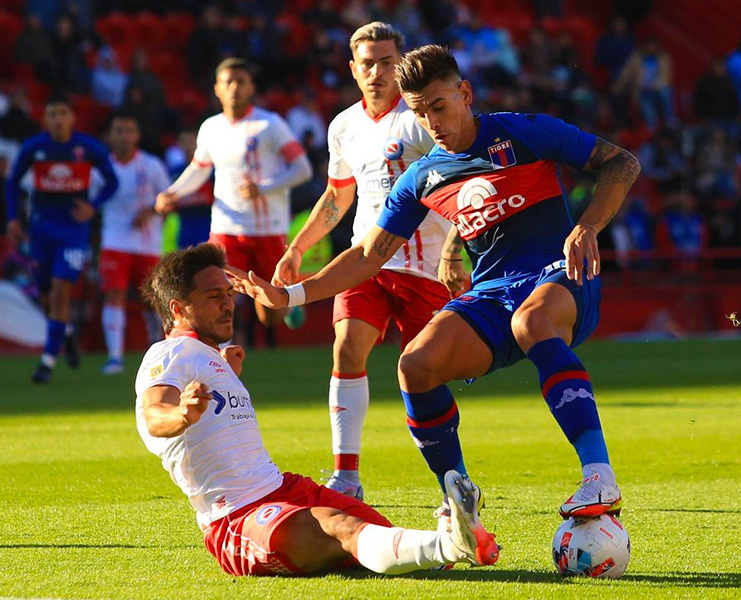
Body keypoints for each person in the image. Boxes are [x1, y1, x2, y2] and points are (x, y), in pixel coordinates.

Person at [227, 45, 641, 525]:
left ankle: (598, 474)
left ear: (465, 93)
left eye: (439, 107)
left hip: (560, 274)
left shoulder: (524, 131)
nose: (432, 123)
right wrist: (292, 294)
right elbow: (367, 254)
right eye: (420, 113)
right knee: (415, 366)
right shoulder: (422, 177)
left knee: (533, 321)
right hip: (493, 291)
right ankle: (459, 497)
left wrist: (587, 225)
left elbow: (621, 163)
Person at [135, 243, 499, 577]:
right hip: (237, 517)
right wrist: (182, 413)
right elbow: (155, 414)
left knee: (378, 537)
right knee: (343, 531)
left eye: (228, 294)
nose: (228, 304)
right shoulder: (168, 354)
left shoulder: (208, 358)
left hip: (286, 488)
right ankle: (451, 543)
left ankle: (444, 547)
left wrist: (223, 368)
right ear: (178, 309)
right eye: (214, 296)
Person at [272, 23, 451, 500]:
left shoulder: (419, 119)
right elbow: (337, 194)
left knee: (424, 375)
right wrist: (297, 248)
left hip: (423, 266)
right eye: (367, 63)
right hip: (364, 264)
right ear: (353, 69)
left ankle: (450, 483)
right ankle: (346, 478)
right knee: (347, 349)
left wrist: (455, 244)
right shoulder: (344, 125)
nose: (377, 71)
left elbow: (456, 176)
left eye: (387, 61)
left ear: (402, 64)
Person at [156, 57, 313, 346]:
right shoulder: (211, 128)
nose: (234, 88)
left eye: (240, 81)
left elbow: (303, 169)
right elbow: (199, 169)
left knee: (270, 314)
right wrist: (173, 193)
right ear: (217, 88)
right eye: (228, 82)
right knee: (215, 292)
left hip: (268, 230)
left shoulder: (270, 124)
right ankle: (219, 360)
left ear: (251, 87)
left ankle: (289, 305)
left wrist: (263, 188)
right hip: (227, 228)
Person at [5, 96, 119, 383]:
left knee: (59, 291)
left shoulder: (87, 148)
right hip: (41, 230)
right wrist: (13, 219)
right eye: (52, 114)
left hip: (73, 231)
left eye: (63, 113)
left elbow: (112, 181)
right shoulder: (35, 148)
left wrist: (93, 206)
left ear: (72, 118)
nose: (58, 119)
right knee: (45, 297)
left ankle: (47, 362)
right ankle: (65, 333)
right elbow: (12, 183)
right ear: (45, 119)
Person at [99, 112, 171, 374]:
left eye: (128, 130)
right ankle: (115, 357)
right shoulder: (102, 168)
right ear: (109, 136)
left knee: (154, 300)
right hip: (114, 241)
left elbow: (168, 199)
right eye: (118, 131)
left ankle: (161, 353)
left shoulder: (151, 166)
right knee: (114, 294)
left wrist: (150, 211)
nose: (124, 136)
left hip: (147, 244)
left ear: (137, 135)